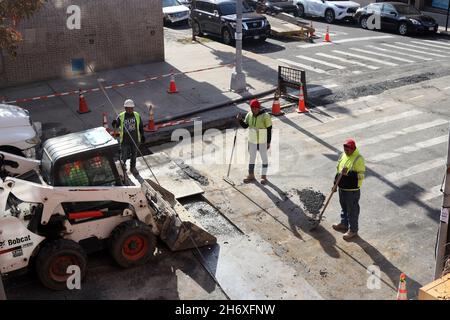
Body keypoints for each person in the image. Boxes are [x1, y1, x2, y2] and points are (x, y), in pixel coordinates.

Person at [332, 138, 365, 240]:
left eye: (348, 150)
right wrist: (335, 184)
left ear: (353, 148)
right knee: (344, 208)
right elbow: (338, 170)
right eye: (345, 149)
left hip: (352, 191)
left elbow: (361, 175)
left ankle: (353, 230)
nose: (346, 151)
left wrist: (348, 173)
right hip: (342, 188)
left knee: (352, 210)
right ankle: (344, 224)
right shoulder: (343, 155)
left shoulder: (358, 159)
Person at [237, 99, 273, 185]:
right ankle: (251, 175)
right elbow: (245, 126)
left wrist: (268, 142)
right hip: (252, 140)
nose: (254, 110)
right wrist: (240, 120)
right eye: (252, 108)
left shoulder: (265, 116)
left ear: (259, 108)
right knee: (252, 158)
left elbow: (269, 129)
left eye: (255, 108)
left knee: (264, 159)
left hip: (262, 141)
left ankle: (263, 176)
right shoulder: (249, 115)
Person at [112, 99, 145, 173]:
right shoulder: (121, 116)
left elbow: (140, 126)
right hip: (125, 141)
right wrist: (114, 123)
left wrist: (142, 135)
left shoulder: (136, 115)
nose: (130, 110)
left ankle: (133, 168)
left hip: (135, 139)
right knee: (124, 156)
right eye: (128, 108)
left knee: (134, 155)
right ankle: (122, 169)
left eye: (131, 108)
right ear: (125, 108)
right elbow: (116, 126)